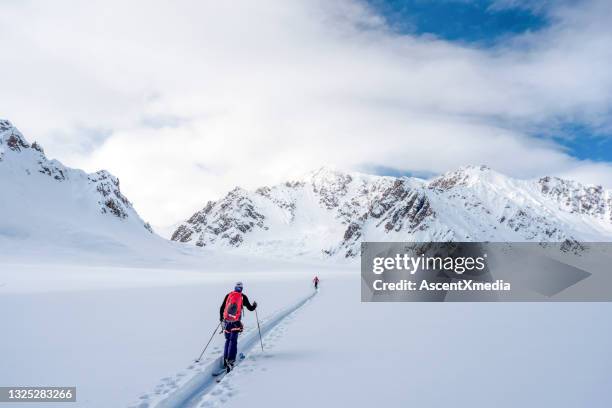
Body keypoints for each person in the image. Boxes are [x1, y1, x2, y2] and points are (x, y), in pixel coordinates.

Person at [219, 281, 257, 372]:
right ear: (242, 288)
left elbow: (222, 307)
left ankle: (225, 360)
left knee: (228, 340)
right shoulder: (243, 297)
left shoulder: (229, 295)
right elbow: (250, 308)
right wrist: (254, 306)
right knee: (233, 340)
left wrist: (222, 319)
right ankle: (231, 361)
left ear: (235, 287)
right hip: (236, 322)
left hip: (227, 321)